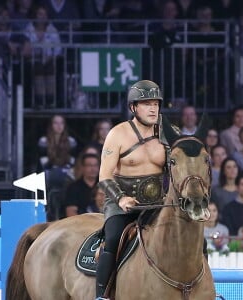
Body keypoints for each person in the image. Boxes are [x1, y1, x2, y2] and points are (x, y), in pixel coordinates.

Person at [95, 80, 168, 300]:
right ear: (133, 107)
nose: (153, 108)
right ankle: (102, 296)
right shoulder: (117, 134)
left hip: (158, 203)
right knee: (114, 238)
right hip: (122, 204)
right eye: (147, 103)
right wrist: (121, 199)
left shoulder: (168, 132)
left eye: (156, 103)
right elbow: (104, 176)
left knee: (190, 235)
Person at [37, 114, 78, 190]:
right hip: (49, 170)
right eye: (55, 123)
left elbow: (72, 161)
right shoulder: (43, 141)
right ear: (51, 125)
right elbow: (44, 162)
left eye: (61, 123)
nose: (59, 126)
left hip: (67, 170)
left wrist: (65, 169)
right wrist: (56, 169)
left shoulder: (71, 141)